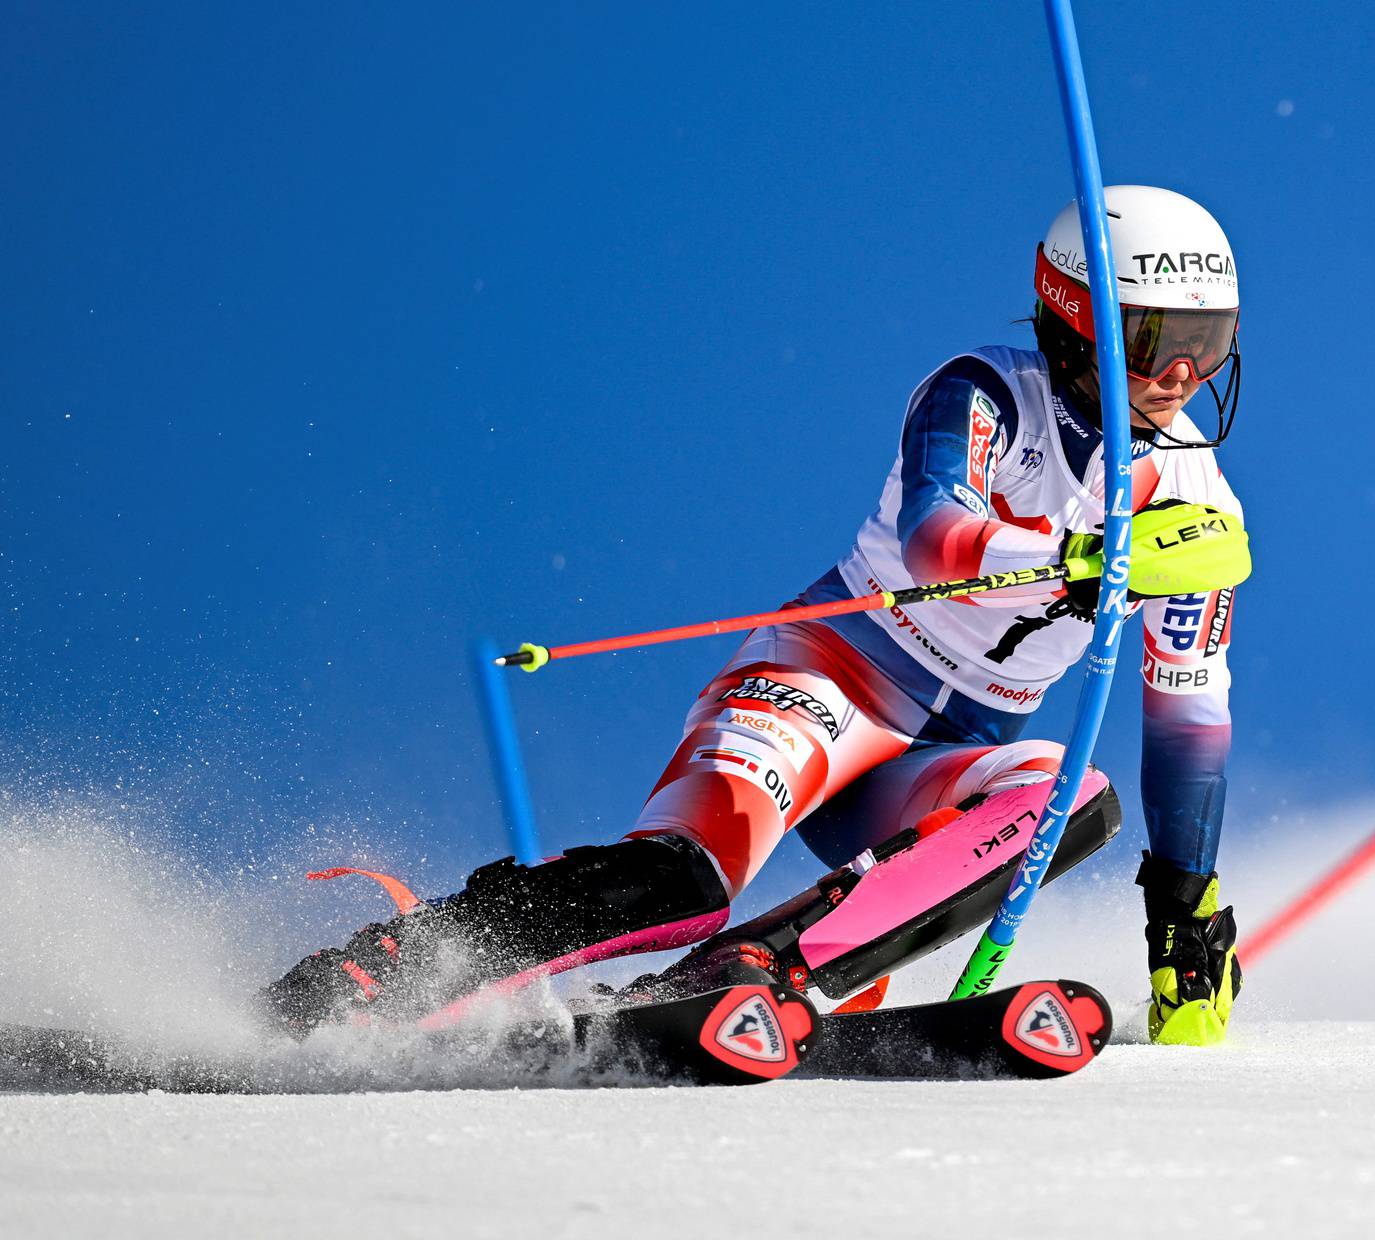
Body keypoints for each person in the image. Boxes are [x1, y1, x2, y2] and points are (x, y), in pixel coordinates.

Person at [262, 185, 1250, 1047]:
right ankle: (384, 970)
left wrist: (1184, 909)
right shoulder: (984, 391)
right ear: (1074, 321)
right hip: (830, 679)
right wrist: (1083, 560)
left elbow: (1190, 717)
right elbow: (936, 537)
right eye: (1155, 340)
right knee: (681, 880)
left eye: (1209, 346)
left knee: (1068, 796)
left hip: (936, 759)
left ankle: (756, 971)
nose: (1180, 375)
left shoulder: (1199, 508)